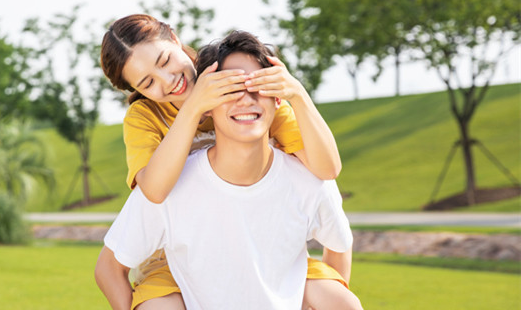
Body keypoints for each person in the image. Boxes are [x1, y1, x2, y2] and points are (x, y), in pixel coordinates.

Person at [95, 30, 362, 310]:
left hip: (268, 247)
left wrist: (296, 92)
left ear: (174, 39)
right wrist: (195, 106)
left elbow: (327, 169)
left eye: (164, 61)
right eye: (148, 82)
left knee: (337, 299)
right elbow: (154, 191)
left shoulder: (248, 86)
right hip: (176, 255)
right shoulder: (146, 117)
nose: (168, 80)